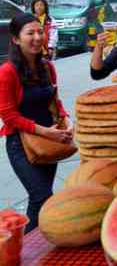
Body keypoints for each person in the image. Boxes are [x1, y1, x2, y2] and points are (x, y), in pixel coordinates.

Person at [0, 13, 72, 231]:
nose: (37, 37)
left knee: (38, 201)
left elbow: (54, 100)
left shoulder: (47, 67)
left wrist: (67, 119)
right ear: (16, 39)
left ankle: (26, 248)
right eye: (30, 33)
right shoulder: (7, 72)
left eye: (40, 31)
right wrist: (45, 132)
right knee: (42, 196)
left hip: (49, 142)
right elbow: (8, 116)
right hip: (20, 144)